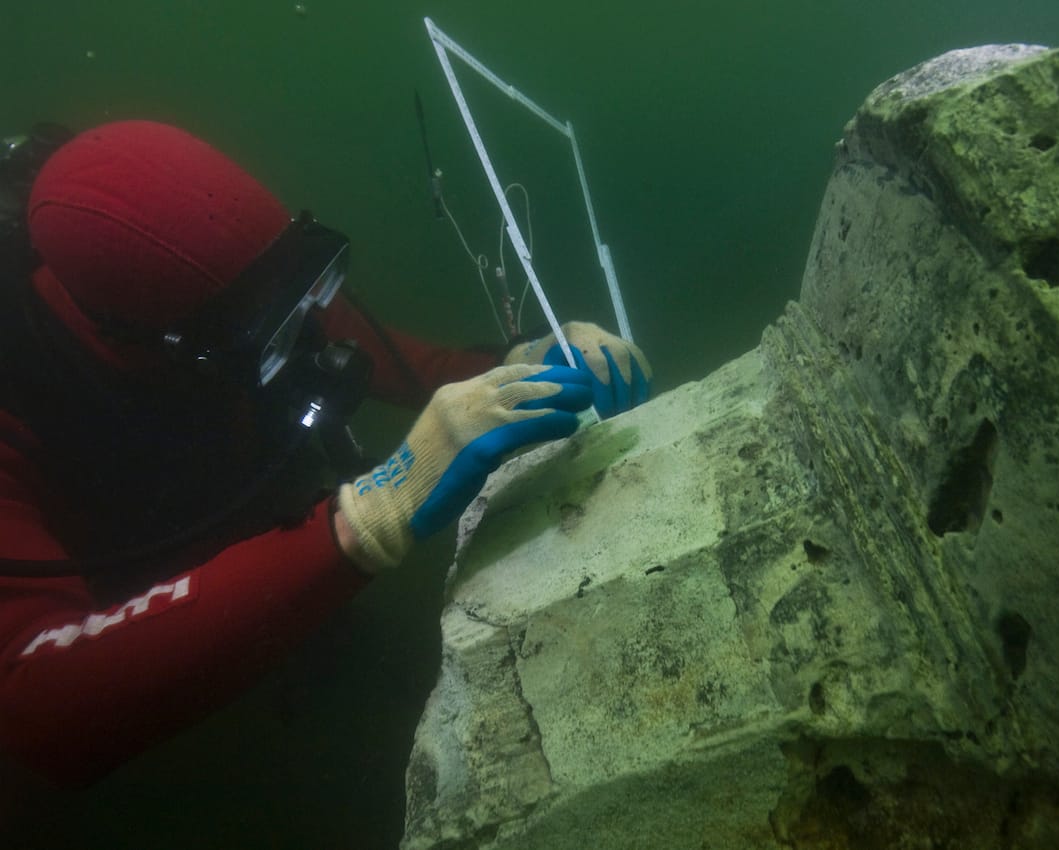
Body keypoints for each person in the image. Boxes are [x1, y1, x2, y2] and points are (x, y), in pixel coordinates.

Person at [0, 120, 651, 794]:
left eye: (316, 287)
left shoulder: (243, 289)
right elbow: (33, 706)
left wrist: (518, 362)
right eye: (277, 331)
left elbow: (391, 356)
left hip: (275, 556)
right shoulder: (18, 391)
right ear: (157, 337)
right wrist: (375, 513)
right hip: (141, 610)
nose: (313, 325)